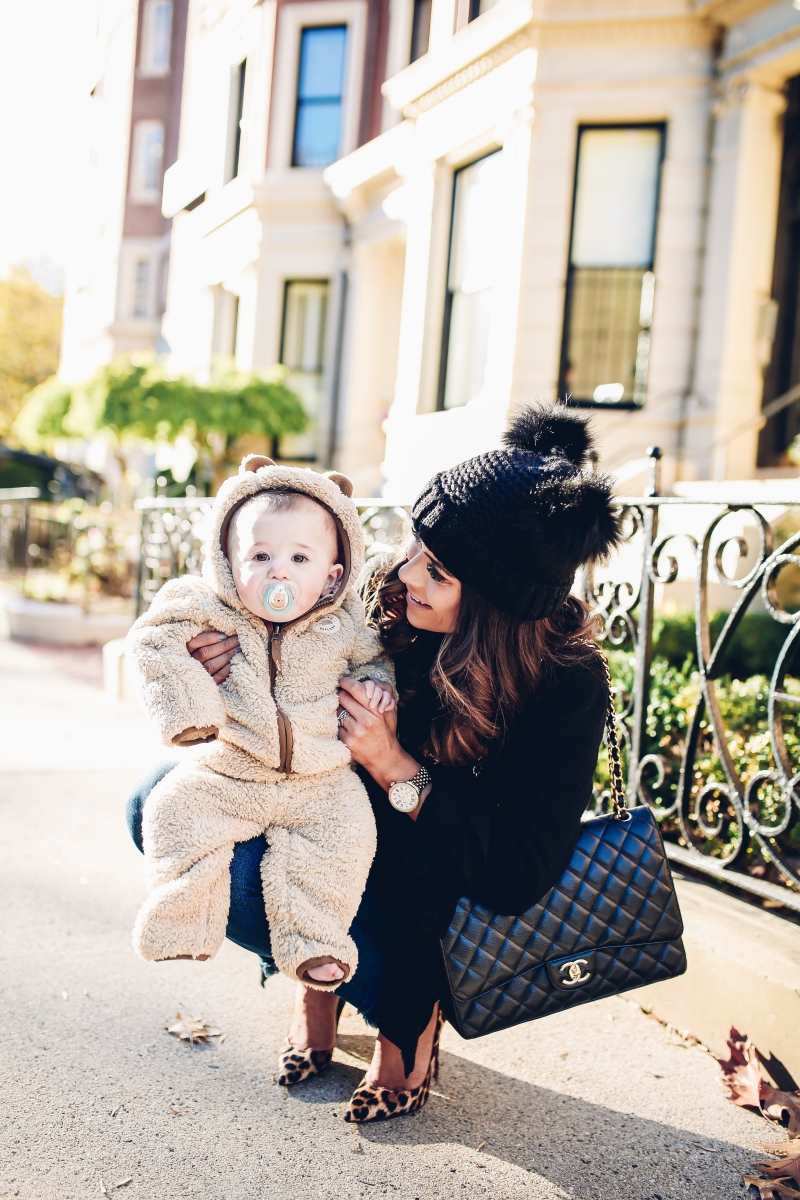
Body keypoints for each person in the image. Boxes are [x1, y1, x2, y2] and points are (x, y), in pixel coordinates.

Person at [125, 405, 621, 1121]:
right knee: (156, 802)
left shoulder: (566, 683)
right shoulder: (391, 600)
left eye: (439, 572)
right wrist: (216, 659)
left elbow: (518, 872)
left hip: (442, 896)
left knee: (392, 867)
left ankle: (407, 1019)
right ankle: (315, 979)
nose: (409, 572)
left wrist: (395, 766)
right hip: (329, 831)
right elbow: (279, 630)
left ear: (492, 605)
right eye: (419, 546)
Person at [125, 457, 394, 992]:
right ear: (227, 561)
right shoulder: (208, 606)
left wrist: (376, 685)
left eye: (300, 557)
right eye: (261, 555)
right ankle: (183, 921)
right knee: (173, 811)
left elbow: (373, 660)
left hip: (321, 781)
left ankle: (315, 942)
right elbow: (152, 640)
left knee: (346, 841)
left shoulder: (343, 624)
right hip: (233, 769)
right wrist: (189, 711)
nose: (279, 572)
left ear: (332, 576)